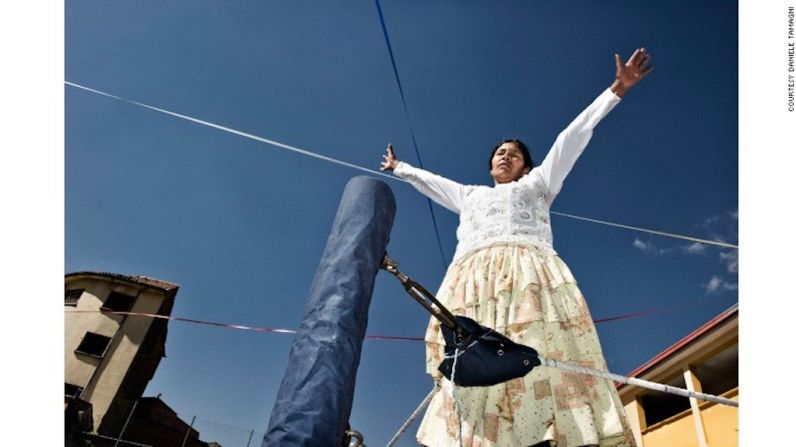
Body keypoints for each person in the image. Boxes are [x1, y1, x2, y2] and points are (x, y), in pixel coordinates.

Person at [379, 48, 653, 447]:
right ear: (491, 164)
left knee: (538, 352)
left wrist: (617, 90)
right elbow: (432, 182)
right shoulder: (470, 195)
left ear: (526, 165)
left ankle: (547, 433)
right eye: (499, 153)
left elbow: (572, 137)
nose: (505, 157)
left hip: (528, 274)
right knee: (471, 357)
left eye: (514, 154)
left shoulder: (539, 185)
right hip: (472, 279)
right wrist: (400, 168)